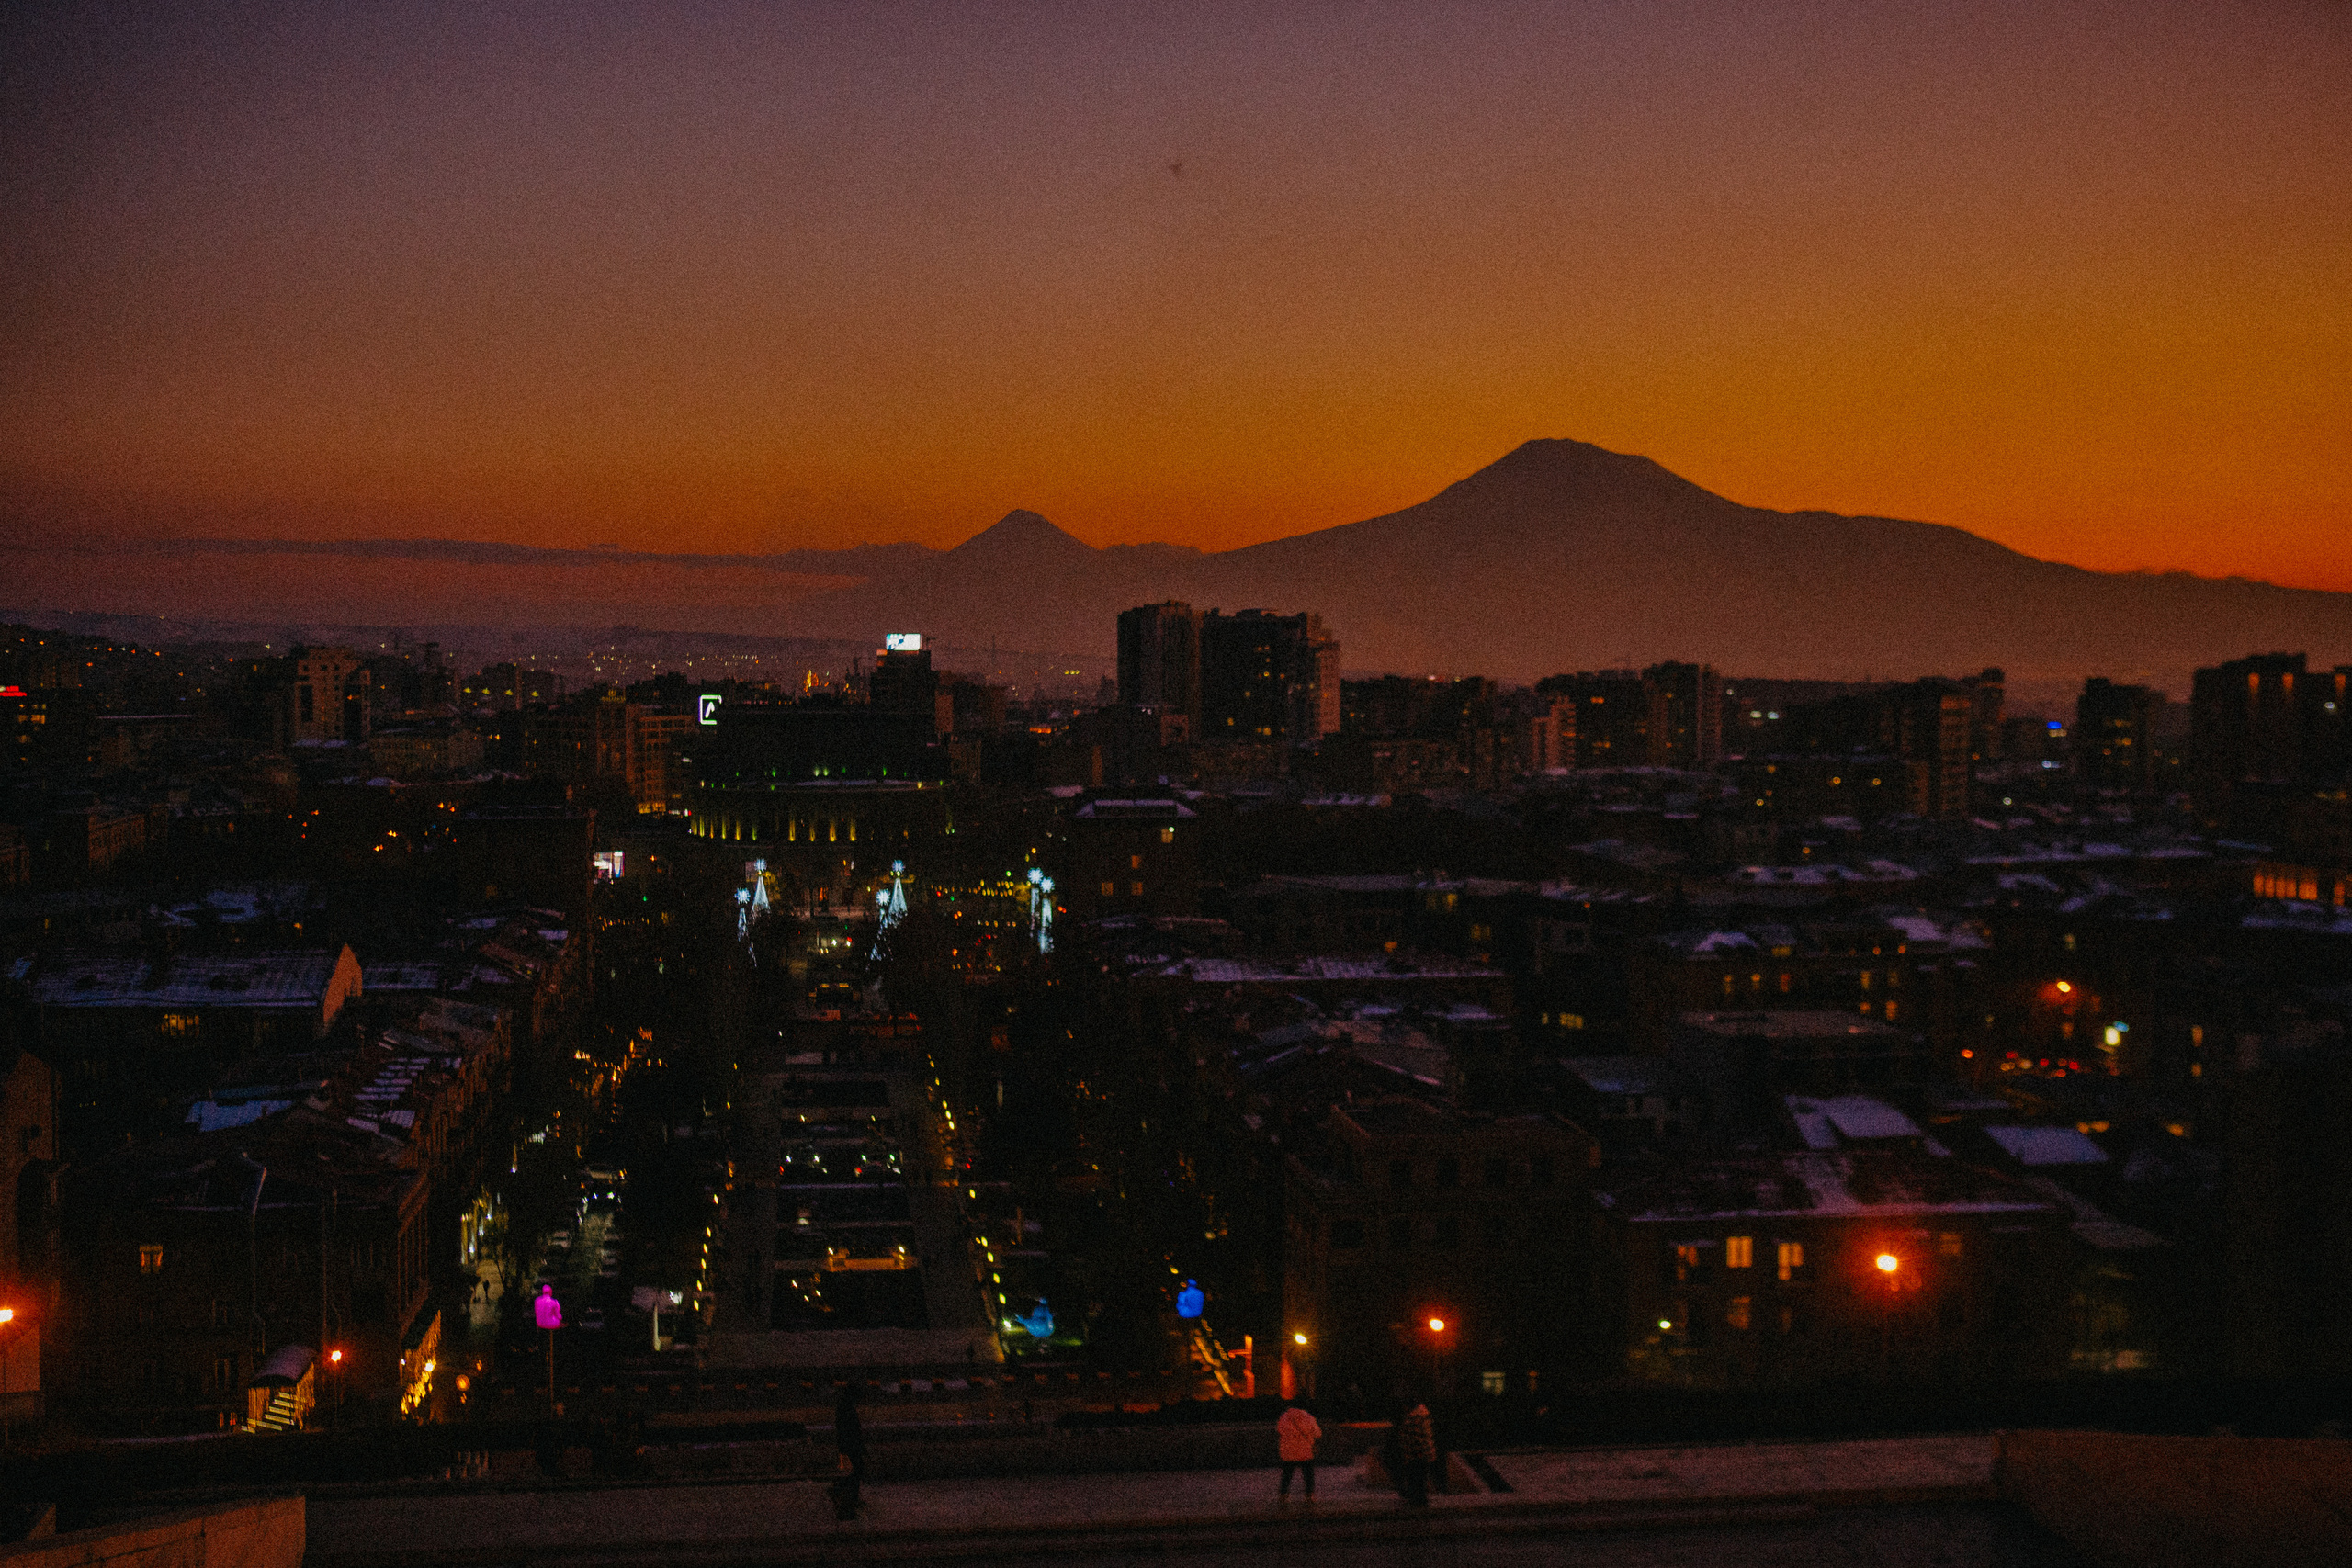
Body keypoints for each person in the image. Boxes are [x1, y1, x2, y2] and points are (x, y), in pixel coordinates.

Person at [830, 1384, 866, 1519]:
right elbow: (851, 1430)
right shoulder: (847, 1409)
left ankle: (848, 1497)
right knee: (856, 1472)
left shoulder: (843, 1407)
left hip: (848, 1445)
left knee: (854, 1471)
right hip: (851, 1445)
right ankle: (847, 1496)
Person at [1275, 1401, 1322, 1501]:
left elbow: (1279, 1430)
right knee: (1308, 1473)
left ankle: (1284, 1494)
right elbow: (1317, 1433)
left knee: (1287, 1473)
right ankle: (1309, 1494)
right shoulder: (1309, 1418)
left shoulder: (1284, 1417)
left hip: (1288, 1450)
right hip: (1305, 1450)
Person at [1397, 1402, 1436, 1506]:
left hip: (1417, 1451)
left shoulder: (1416, 1416)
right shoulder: (1422, 1414)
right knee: (1419, 1477)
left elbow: (1414, 1435)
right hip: (1422, 1451)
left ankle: (1418, 1500)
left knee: (1416, 1476)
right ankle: (1419, 1498)